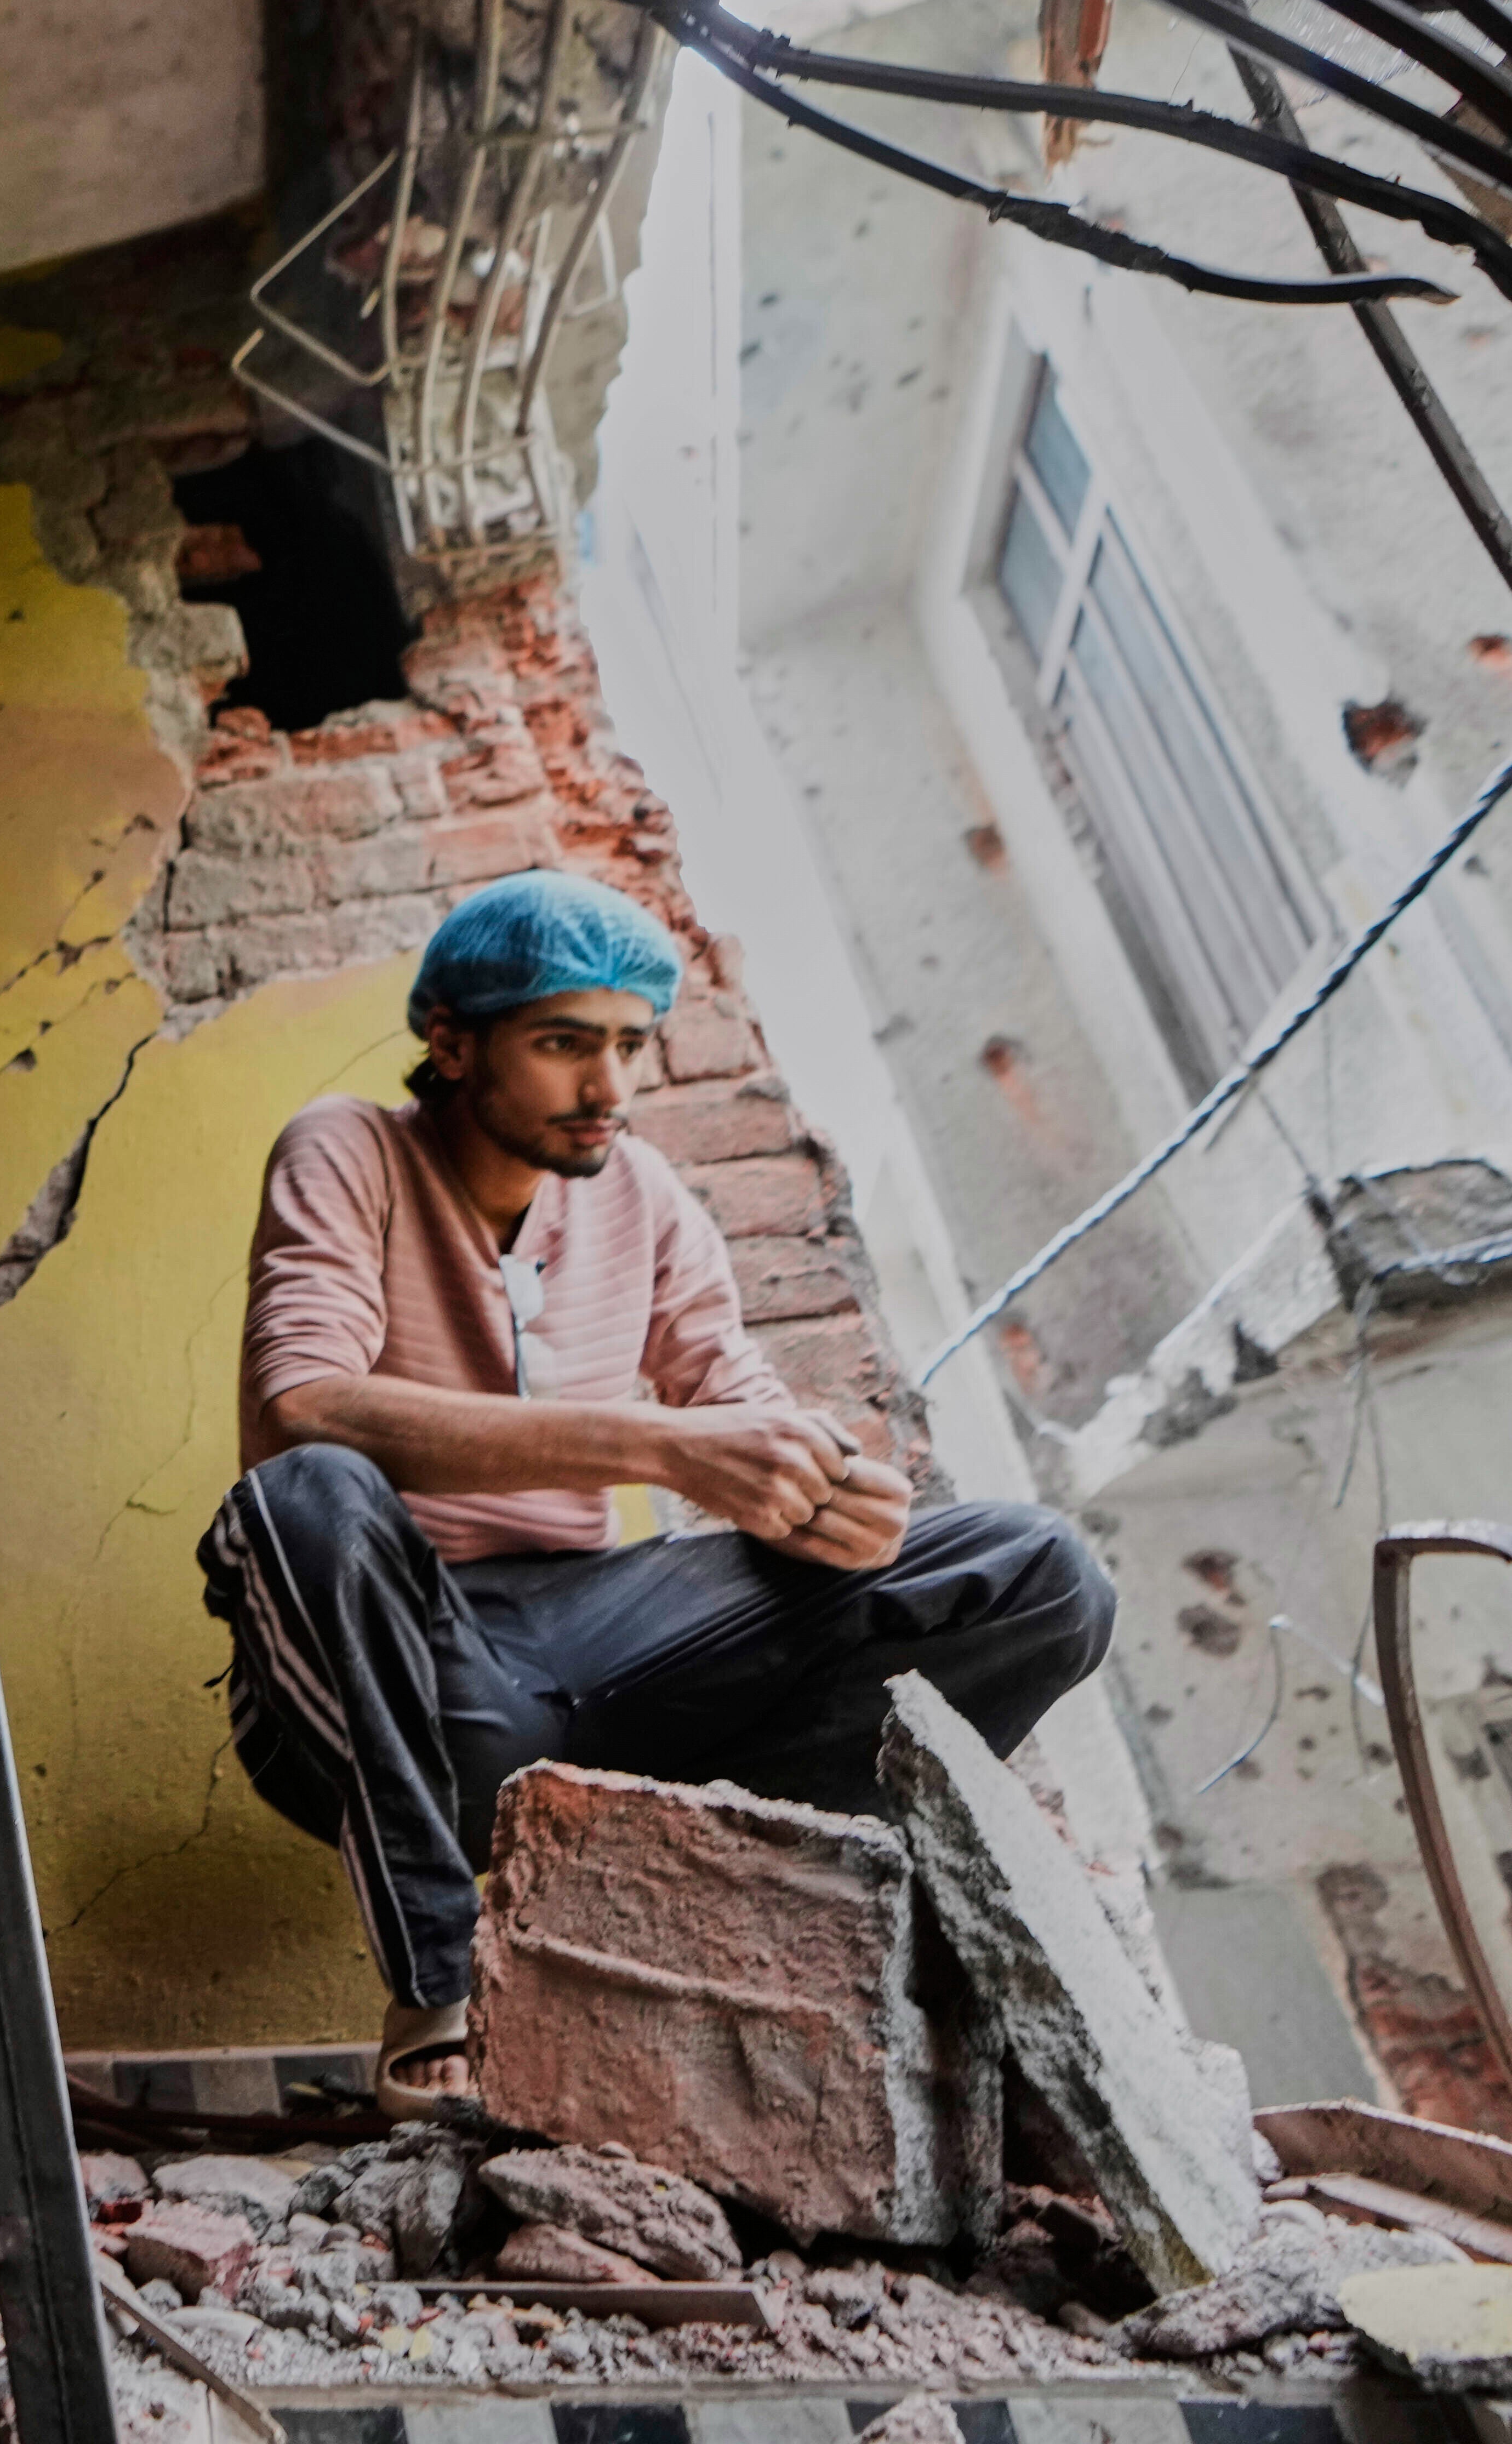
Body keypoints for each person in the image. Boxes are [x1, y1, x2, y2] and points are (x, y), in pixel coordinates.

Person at [195, 869, 1114, 2120]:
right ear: (454, 1041)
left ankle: (719, 1923)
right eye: (564, 1042)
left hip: (607, 1643)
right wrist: (662, 1446)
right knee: (304, 1496)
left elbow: (737, 1401)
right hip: (413, 1661)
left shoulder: (645, 1198)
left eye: (630, 1043)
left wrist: (829, 1489)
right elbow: (299, 1402)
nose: (610, 1086)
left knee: (1036, 1569)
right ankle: (439, 1989)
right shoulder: (348, 1147)